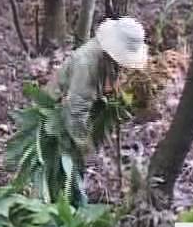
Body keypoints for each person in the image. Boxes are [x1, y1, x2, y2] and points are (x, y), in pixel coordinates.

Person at [48, 16, 148, 203]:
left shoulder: (108, 59)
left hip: (78, 111)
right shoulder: (87, 64)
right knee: (66, 167)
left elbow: (107, 87)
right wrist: (87, 149)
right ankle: (69, 204)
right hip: (58, 116)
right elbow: (75, 112)